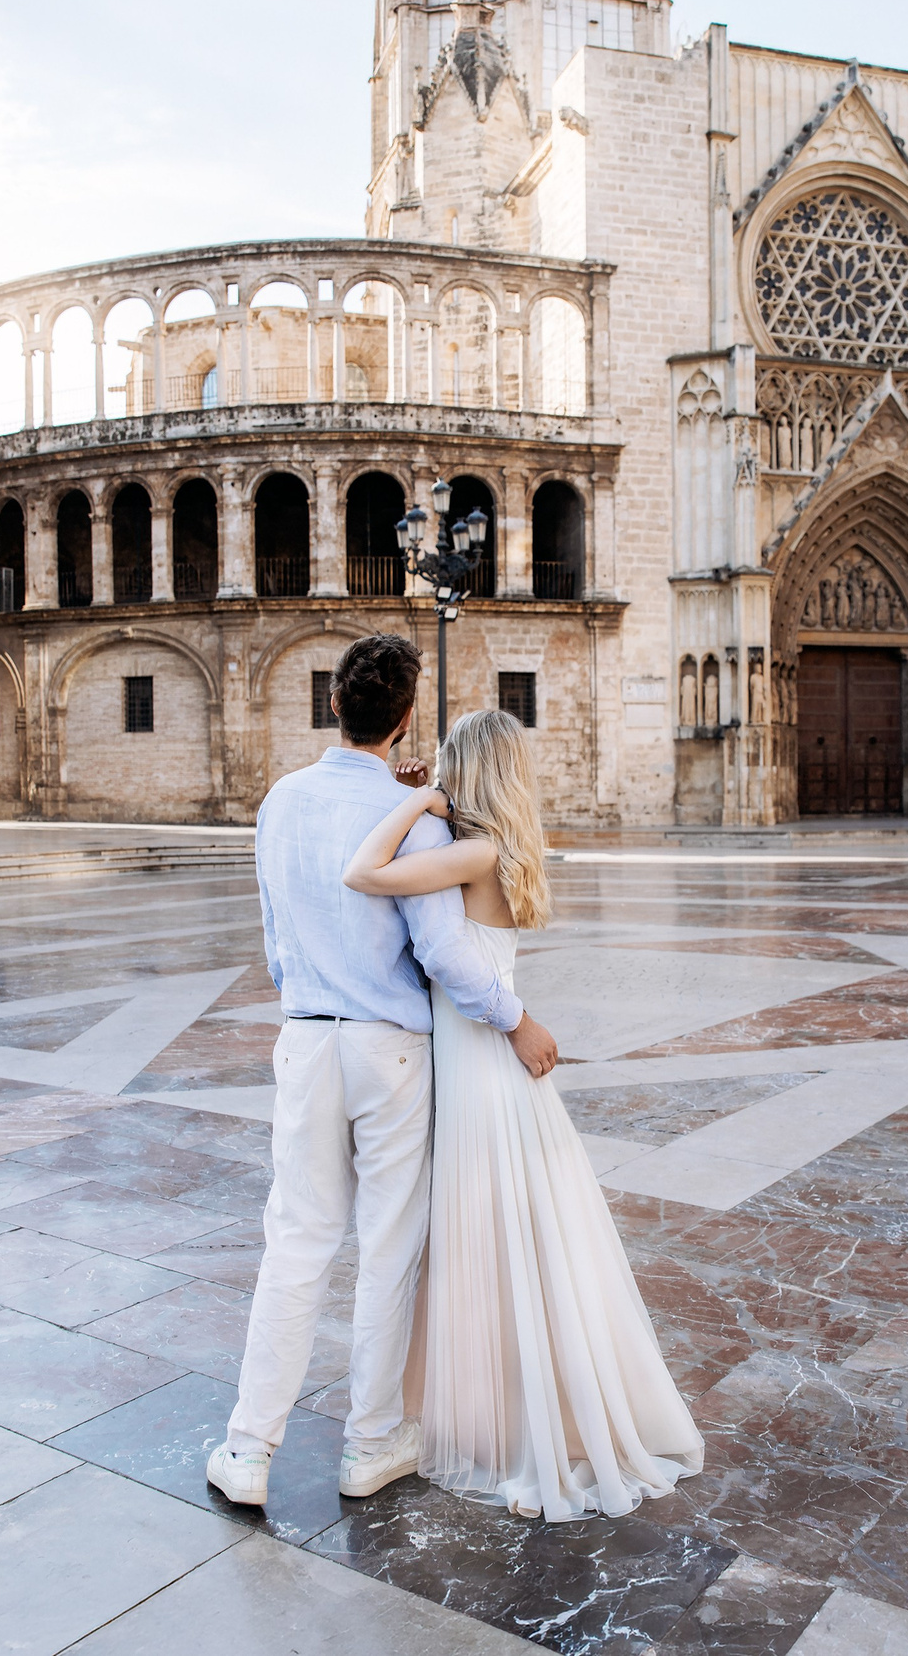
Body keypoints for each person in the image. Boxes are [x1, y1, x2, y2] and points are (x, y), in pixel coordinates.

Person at [209, 637, 562, 1510]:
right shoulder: (421, 816)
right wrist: (515, 1019)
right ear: (407, 719)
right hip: (391, 1050)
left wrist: (310, 998)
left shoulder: (280, 802)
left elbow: (272, 934)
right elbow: (441, 948)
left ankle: (248, 1450)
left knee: (295, 1240)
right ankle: (369, 1445)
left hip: (306, 1038)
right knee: (388, 1246)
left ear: (336, 705)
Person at [343, 708, 704, 1521]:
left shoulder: (469, 850)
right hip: (492, 1059)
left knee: (492, 1232)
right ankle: (530, 1407)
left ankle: (515, 1420)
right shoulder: (506, 848)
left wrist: (413, 802)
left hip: (478, 1060)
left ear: (462, 770)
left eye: (444, 763)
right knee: (529, 1233)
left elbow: (365, 873)